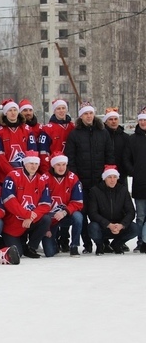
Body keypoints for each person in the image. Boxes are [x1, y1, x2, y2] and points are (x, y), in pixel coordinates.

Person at [64, 101, 114, 253]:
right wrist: (75, 178)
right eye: (86, 113)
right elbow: (70, 158)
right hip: (82, 182)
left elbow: (109, 154)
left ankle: (103, 241)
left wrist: (107, 175)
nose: (89, 116)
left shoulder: (103, 132)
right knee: (84, 213)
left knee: (101, 212)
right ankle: (87, 243)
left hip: (99, 182)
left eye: (91, 113)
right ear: (81, 116)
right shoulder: (74, 134)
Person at [1, 150, 52, 258]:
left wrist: (31, 216)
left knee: (46, 219)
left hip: (30, 221)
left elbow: (45, 205)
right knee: (17, 254)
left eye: (36, 164)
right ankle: (1, 243)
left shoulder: (42, 180)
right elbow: (9, 201)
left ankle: (31, 247)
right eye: (31, 163)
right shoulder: (12, 176)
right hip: (13, 224)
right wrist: (26, 214)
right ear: (24, 163)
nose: (34, 166)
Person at [88, 165, 138, 255]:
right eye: (109, 177)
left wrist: (122, 225)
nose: (112, 180)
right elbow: (92, 213)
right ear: (104, 178)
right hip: (103, 226)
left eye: (115, 177)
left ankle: (117, 244)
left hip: (119, 226)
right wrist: (108, 224)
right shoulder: (95, 191)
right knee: (92, 227)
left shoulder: (123, 190)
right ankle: (100, 245)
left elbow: (131, 211)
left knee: (134, 228)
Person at [42, 152, 84, 257]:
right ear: (53, 165)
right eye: (58, 165)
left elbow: (78, 202)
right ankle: (54, 243)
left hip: (65, 216)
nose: (61, 168)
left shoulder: (73, 178)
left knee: (78, 217)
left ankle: (74, 246)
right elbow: (39, 203)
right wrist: (45, 227)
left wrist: (65, 212)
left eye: (63, 164)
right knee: (50, 253)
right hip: (49, 218)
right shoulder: (44, 179)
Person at [0, 99, 37, 182]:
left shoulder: (27, 129)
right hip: (6, 175)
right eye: (10, 110)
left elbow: (32, 152)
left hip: (25, 174)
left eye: (15, 110)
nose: (13, 113)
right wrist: (11, 172)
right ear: (5, 113)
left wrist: (27, 171)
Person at [124, 108, 146, 252]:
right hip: (140, 183)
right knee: (141, 215)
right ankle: (140, 242)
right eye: (141, 120)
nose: (143, 122)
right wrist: (134, 172)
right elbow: (126, 159)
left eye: (145, 120)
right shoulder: (132, 139)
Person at [38, 99, 74, 174]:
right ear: (54, 111)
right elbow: (43, 152)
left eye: (63, 108)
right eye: (58, 108)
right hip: (54, 169)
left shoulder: (73, 127)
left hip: (70, 168)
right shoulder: (47, 129)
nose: (61, 111)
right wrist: (46, 171)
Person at [103, 108, 129, 188]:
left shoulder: (125, 137)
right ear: (106, 121)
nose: (113, 121)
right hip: (105, 174)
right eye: (110, 119)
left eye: (115, 119)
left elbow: (128, 155)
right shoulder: (101, 136)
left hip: (121, 174)